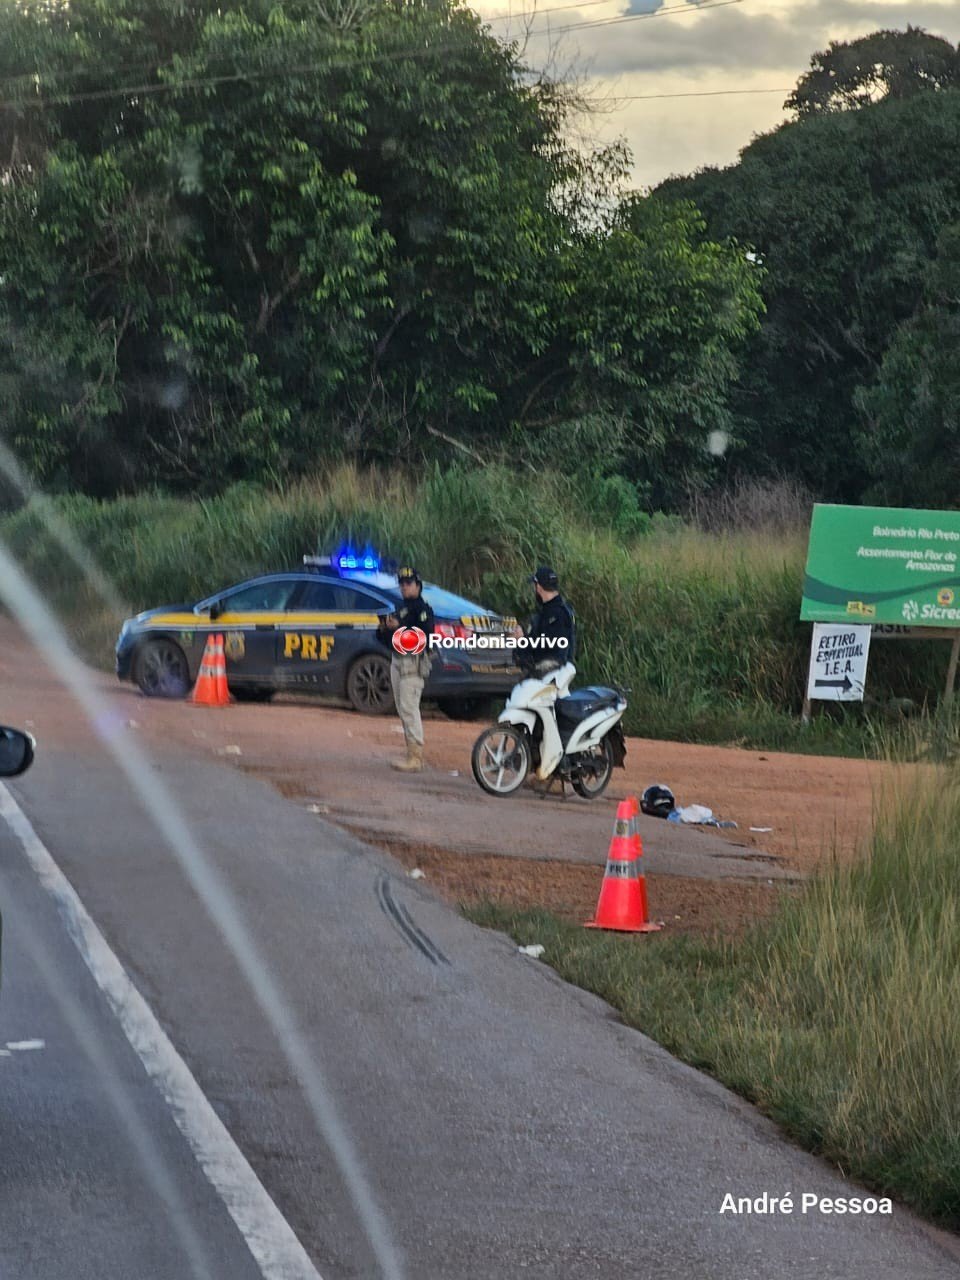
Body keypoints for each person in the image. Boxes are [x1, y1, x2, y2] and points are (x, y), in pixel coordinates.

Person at [377, 565, 435, 772]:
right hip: (398, 660)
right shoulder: (400, 609)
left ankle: (415, 757)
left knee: (409, 708)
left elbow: (423, 637)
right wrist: (384, 627)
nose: (404, 587)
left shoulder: (423, 611)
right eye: (401, 584)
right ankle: (410, 752)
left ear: (418, 586)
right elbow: (386, 639)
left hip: (414, 663)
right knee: (403, 708)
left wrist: (399, 628)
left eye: (408, 584)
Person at [513, 565, 576, 676]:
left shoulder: (554, 614)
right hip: (559, 671)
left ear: (539, 587)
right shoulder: (563, 611)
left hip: (549, 674)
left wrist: (521, 640)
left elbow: (545, 648)